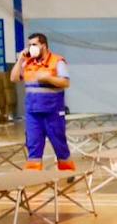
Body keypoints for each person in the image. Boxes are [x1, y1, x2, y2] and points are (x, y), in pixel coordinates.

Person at [10, 32, 74, 171]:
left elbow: (65, 82)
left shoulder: (57, 61)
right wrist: (20, 60)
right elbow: (14, 78)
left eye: (34, 44)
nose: (31, 47)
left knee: (60, 145)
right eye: (29, 45)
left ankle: (68, 173)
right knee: (33, 146)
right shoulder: (27, 63)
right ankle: (34, 177)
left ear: (43, 46)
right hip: (33, 113)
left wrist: (47, 78)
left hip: (53, 112)